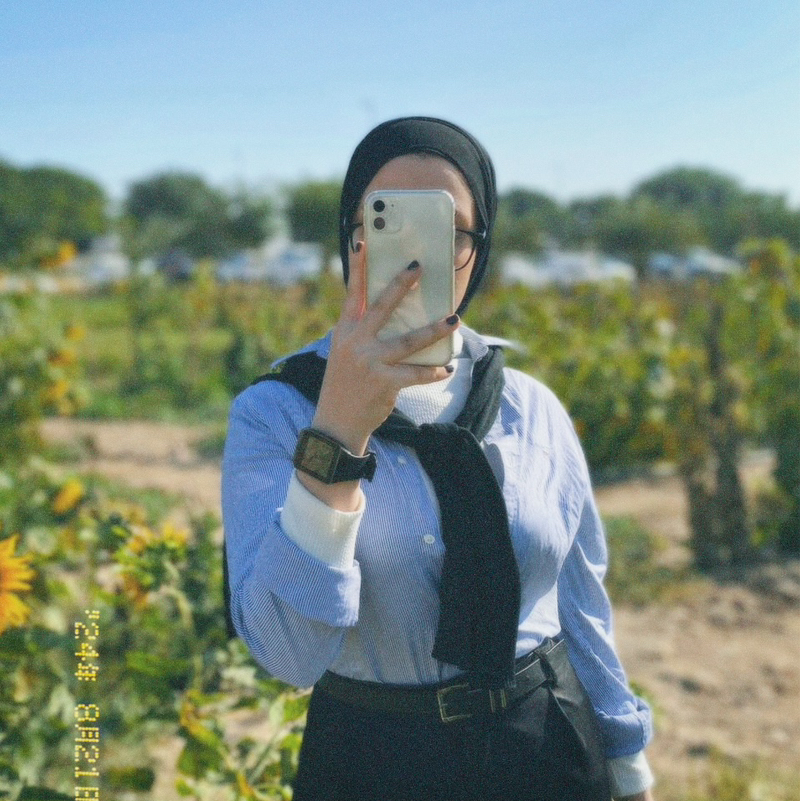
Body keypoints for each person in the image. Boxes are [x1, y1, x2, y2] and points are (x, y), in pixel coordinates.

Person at [222, 117, 656, 801]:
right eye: (385, 224)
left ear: (478, 251)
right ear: (350, 240)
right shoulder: (275, 413)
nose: (416, 263)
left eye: (448, 232)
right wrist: (337, 434)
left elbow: (579, 601)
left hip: (547, 746)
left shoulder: (528, 405)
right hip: (370, 761)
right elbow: (290, 655)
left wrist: (629, 766)